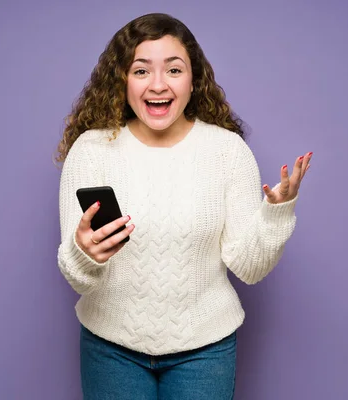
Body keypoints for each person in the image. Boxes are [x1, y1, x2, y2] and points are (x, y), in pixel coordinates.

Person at [55, 12, 312, 400]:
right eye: (141, 71)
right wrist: (84, 255)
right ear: (122, 81)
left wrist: (277, 214)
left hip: (205, 349)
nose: (158, 84)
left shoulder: (227, 152)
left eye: (174, 69)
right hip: (110, 348)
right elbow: (77, 278)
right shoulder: (91, 151)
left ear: (193, 82)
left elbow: (249, 266)